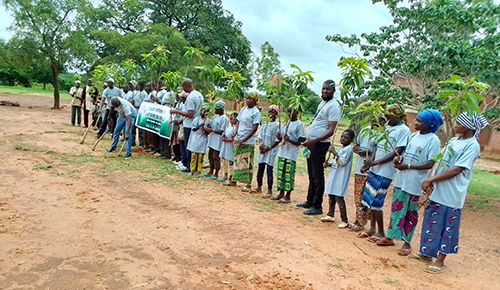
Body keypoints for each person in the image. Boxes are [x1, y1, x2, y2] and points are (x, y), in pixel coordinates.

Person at [411, 112, 488, 274]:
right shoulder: (454, 141)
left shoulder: (472, 145)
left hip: (452, 193)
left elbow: (457, 169)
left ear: (469, 127)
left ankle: (440, 261)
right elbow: (440, 160)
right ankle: (427, 253)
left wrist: (432, 180)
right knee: (432, 222)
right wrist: (431, 179)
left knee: (448, 226)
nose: (455, 125)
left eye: (459, 123)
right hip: (439, 189)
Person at [383, 109, 443, 253]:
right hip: (402, 179)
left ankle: (406, 242)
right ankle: (391, 236)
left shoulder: (433, 140)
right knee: (397, 208)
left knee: (411, 212)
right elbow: (404, 154)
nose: (415, 122)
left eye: (420, 121)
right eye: (416, 119)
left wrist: (408, 166)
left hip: (416, 182)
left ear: (430, 124)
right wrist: (399, 159)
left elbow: (430, 163)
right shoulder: (413, 136)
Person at [357, 104, 411, 243]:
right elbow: (378, 146)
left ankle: (381, 232)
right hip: (375, 169)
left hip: (386, 171)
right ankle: (372, 229)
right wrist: (370, 162)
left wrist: (377, 162)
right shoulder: (386, 128)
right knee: (370, 200)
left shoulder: (404, 130)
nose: (386, 118)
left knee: (377, 202)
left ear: (397, 116)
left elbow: (397, 150)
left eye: (389, 116)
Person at [297, 80, 341, 215]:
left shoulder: (334, 106)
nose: (325, 92)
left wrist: (314, 140)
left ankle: (317, 206)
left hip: (320, 144)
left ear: (333, 91)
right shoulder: (323, 103)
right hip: (312, 144)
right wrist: (308, 139)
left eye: (328, 89)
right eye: (323, 89)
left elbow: (331, 130)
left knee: (317, 175)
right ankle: (310, 201)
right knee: (311, 174)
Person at [321, 130, 355, 229]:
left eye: (346, 137)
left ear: (351, 140)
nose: (343, 139)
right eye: (342, 136)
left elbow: (342, 162)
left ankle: (344, 220)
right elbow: (335, 162)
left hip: (341, 176)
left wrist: (334, 152)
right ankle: (330, 214)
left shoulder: (348, 149)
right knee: (331, 195)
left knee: (339, 198)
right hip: (334, 175)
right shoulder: (341, 149)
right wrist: (328, 164)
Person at [170, 79, 204, 172]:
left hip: (189, 124)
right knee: (193, 146)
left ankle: (188, 166)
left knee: (188, 146)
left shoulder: (190, 97)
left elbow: (190, 114)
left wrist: (176, 111)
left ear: (185, 86)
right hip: (197, 123)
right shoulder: (199, 95)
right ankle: (193, 165)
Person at [274, 108, 306, 203]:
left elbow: (301, 141)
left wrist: (289, 140)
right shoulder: (286, 123)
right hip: (282, 152)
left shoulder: (299, 125)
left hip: (291, 154)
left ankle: (288, 196)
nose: (289, 114)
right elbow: (282, 138)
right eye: (288, 112)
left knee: (288, 174)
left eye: (291, 112)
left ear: (297, 113)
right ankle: (281, 193)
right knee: (281, 174)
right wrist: (280, 137)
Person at [350, 124, 378, 232]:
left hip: (371, 171)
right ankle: (359, 219)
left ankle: (363, 221)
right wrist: (357, 149)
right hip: (359, 169)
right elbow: (357, 145)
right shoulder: (364, 130)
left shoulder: (380, 133)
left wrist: (370, 154)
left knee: (367, 198)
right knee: (358, 197)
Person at [233, 93, 262, 192]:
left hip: (248, 141)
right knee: (238, 159)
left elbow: (254, 129)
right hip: (239, 138)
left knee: (247, 161)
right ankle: (235, 179)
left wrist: (243, 139)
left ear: (255, 101)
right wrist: (236, 133)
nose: (248, 100)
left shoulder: (256, 112)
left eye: (250, 99)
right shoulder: (243, 109)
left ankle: (248, 183)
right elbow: (238, 122)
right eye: (247, 98)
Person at [256, 105, 280, 197]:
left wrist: (267, 148)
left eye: (273, 112)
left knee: (269, 170)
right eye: (269, 112)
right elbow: (261, 137)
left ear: (276, 114)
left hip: (271, 151)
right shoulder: (265, 124)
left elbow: (277, 141)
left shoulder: (277, 125)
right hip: (263, 150)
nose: (270, 114)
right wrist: (261, 146)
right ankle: (259, 186)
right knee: (260, 168)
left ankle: (269, 190)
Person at [203, 101, 229, 180]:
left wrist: (213, 130)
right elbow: (213, 125)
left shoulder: (224, 119)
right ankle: (210, 170)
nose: (215, 110)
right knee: (210, 155)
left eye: (217, 109)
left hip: (218, 140)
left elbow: (222, 130)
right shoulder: (215, 116)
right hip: (212, 139)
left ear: (221, 109)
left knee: (216, 156)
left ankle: (216, 172)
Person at [186, 110, 209, 176]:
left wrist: (205, 129)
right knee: (193, 156)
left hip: (203, 139)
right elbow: (193, 128)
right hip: (195, 139)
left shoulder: (207, 121)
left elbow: (208, 131)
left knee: (200, 157)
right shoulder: (197, 119)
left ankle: (199, 171)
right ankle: (192, 170)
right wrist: (200, 126)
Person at [220, 113, 238, 186]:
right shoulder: (228, 127)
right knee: (225, 162)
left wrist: (227, 140)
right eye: (230, 118)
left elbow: (235, 139)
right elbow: (224, 135)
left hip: (231, 148)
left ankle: (231, 178)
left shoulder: (236, 129)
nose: (231, 120)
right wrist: (223, 137)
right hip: (225, 147)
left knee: (231, 163)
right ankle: (225, 175)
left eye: (233, 118)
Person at [133, 81, 147, 148]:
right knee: (133, 127)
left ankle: (142, 143)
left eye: (139, 85)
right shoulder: (136, 93)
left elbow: (144, 103)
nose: (138, 87)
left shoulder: (144, 94)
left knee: (140, 129)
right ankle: (133, 141)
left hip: (140, 112)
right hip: (135, 110)